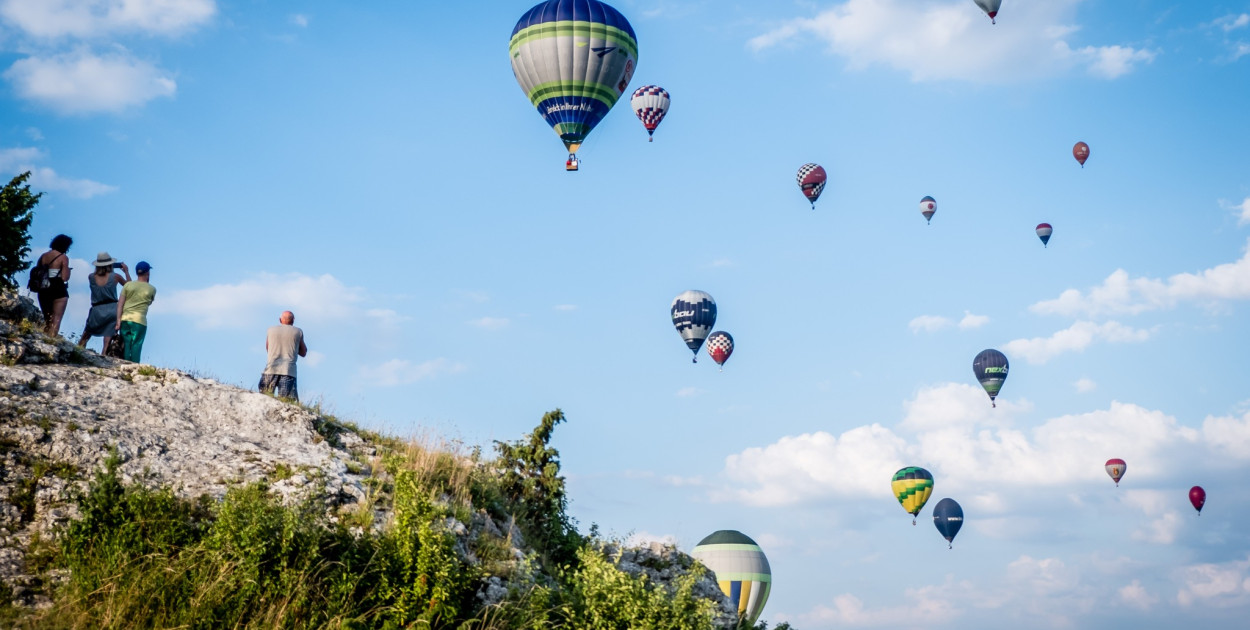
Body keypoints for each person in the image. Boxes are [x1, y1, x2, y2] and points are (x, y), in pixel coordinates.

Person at [79, 252, 129, 351]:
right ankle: (104, 352)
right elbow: (129, 287)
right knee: (109, 332)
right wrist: (126, 272)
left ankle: (79, 348)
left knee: (87, 332)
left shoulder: (91, 277)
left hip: (96, 308)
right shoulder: (116, 276)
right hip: (112, 308)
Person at [259, 310, 307, 401]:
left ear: (280, 320)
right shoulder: (298, 331)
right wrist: (294, 347)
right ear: (293, 320)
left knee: (264, 398)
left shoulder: (271, 330)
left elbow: (268, 348)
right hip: (288, 371)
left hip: (271, 368)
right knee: (286, 401)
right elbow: (303, 353)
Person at [115, 261, 156, 363]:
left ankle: (124, 364)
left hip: (125, 319)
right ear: (148, 272)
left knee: (126, 343)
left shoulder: (128, 285)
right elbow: (149, 303)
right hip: (140, 321)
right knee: (137, 344)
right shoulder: (152, 289)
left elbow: (120, 304)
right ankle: (134, 366)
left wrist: (118, 320)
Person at [34, 234, 73, 336]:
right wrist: (68, 271)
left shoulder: (43, 256)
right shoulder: (63, 257)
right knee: (56, 319)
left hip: (43, 288)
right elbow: (65, 277)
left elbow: (38, 272)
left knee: (47, 317)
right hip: (57, 287)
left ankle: (44, 337)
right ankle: (51, 340)